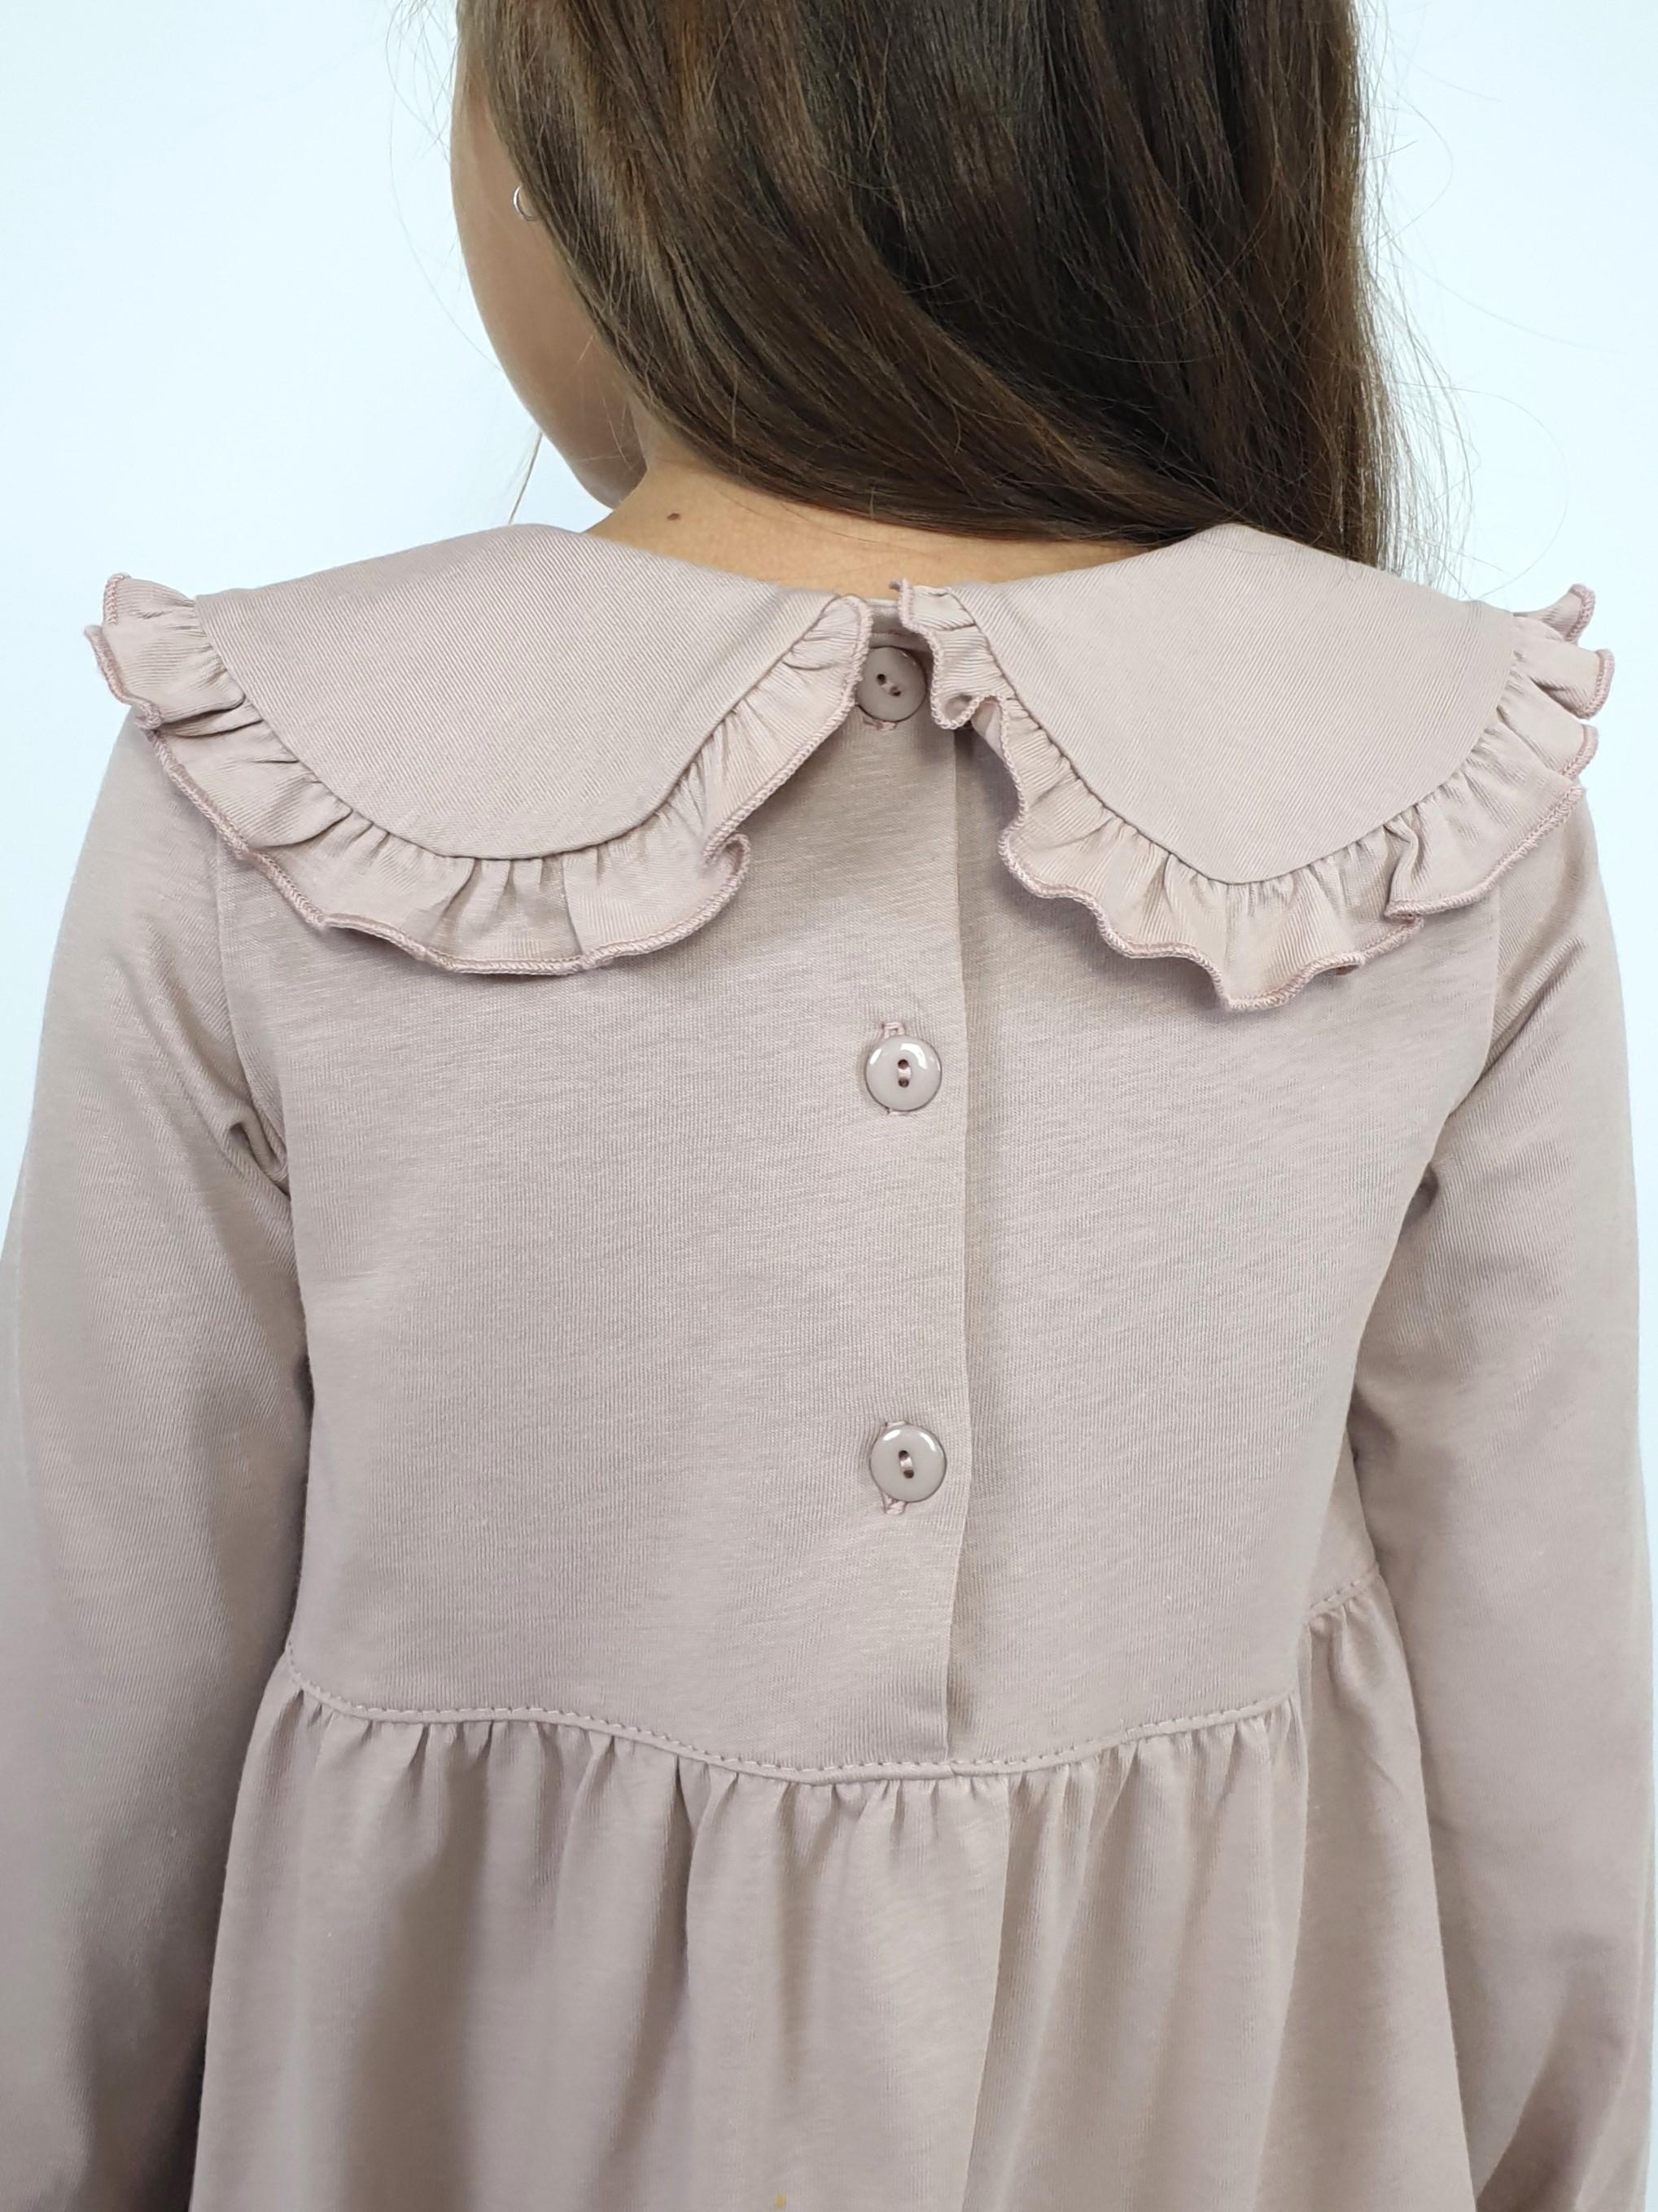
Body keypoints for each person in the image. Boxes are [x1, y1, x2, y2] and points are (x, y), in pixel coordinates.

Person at [0, 2, 1650, 2207]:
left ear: (595, 125)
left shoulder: (270, 777)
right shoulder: (1437, 781)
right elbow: (1542, 1772)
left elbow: (91, 1747)